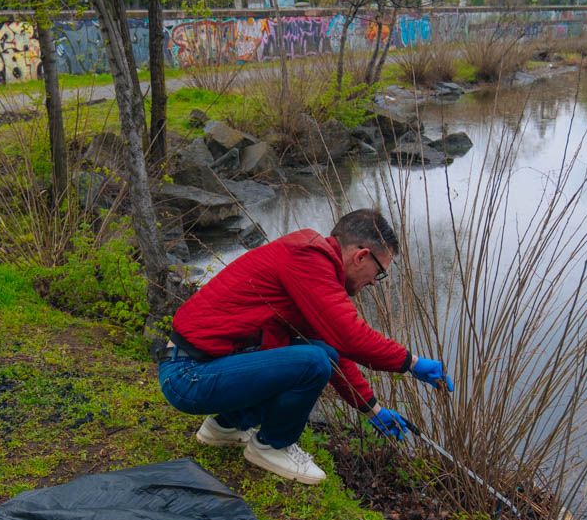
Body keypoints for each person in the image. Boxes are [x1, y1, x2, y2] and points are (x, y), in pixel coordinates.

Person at [157, 208, 454, 485]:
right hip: (188, 376)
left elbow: (336, 349)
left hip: (195, 368)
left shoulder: (309, 264)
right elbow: (351, 336)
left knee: (321, 354)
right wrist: (412, 363)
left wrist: (373, 409)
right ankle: (272, 446)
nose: (375, 283)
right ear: (361, 256)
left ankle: (225, 426)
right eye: (380, 272)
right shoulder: (308, 258)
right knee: (313, 361)